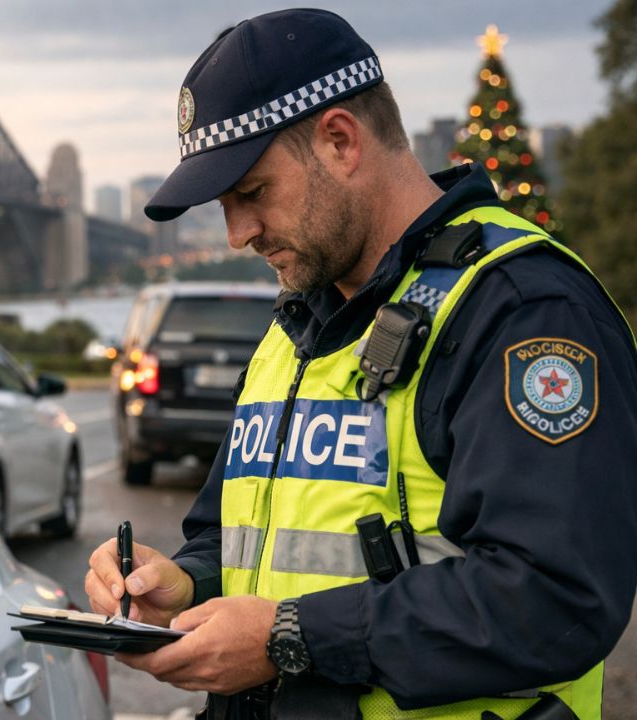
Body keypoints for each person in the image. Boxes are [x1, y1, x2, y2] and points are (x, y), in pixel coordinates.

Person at [84, 8, 637, 719]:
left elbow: (557, 597)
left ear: (341, 140)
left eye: (252, 193)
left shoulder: (524, 311)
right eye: (224, 205)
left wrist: (290, 637)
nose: (237, 234)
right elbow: (239, 538)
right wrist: (185, 585)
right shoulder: (296, 327)